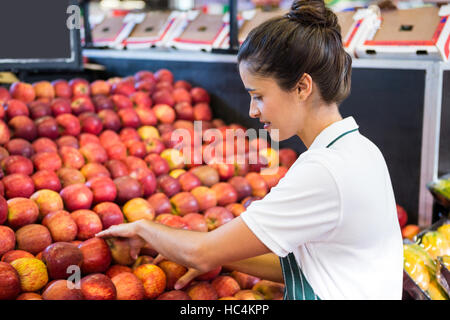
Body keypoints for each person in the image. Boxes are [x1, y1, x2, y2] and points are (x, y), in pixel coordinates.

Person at [97, 0, 404, 300]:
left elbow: (202, 254)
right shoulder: (360, 149)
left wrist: (145, 230)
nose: (252, 111)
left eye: (258, 96)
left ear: (302, 87)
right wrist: (217, 253)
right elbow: (311, 267)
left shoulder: (323, 171)